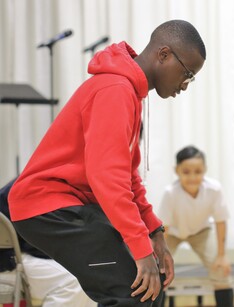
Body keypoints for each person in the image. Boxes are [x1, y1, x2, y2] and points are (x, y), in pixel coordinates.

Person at [8, 19, 206, 307]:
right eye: (187, 73)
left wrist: (154, 232)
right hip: (47, 205)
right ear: (163, 54)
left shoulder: (128, 93)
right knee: (132, 292)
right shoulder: (114, 90)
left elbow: (128, 176)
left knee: (150, 287)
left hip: (71, 204)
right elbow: (107, 178)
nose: (185, 85)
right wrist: (140, 250)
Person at [0, 178, 97, 307]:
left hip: (15, 255)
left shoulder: (32, 181)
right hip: (8, 261)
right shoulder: (34, 188)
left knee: (88, 275)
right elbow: (38, 243)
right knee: (75, 280)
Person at [158, 145, 234, 307]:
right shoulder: (170, 193)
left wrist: (222, 255)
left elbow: (221, 221)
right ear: (176, 170)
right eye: (186, 172)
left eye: (198, 172)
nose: (192, 177)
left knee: (221, 270)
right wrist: (160, 257)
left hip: (201, 232)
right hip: (172, 234)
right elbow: (164, 228)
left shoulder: (214, 189)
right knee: (160, 272)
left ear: (205, 170)